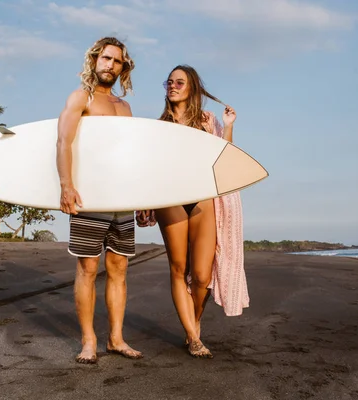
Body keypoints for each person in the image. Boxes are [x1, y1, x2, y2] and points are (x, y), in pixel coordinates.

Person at [136, 65, 249, 358]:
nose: (172, 86)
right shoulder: (159, 126)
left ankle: (193, 322)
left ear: (192, 88)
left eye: (179, 82)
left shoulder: (206, 121)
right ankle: (193, 338)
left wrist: (229, 125)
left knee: (200, 275)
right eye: (169, 82)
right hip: (170, 198)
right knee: (177, 268)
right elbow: (151, 168)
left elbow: (224, 159)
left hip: (201, 198)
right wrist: (144, 200)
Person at [56, 37, 143, 364]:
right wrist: (66, 185)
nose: (110, 65)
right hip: (89, 196)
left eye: (117, 61)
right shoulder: (81, 98)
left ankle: (116, 339)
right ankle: (89, 341)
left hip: (122, 198)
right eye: (106, 58)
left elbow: (131, 156)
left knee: (119, 267)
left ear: (123, 67)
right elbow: (63, 142)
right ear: (95, 60)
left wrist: (143, 196)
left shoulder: (125, 107)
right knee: (88, 268)